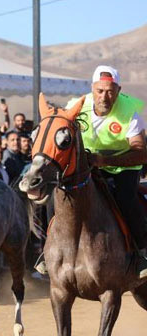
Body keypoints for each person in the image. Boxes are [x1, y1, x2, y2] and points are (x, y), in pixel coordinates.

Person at [65, 65, 147, 278]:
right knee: (61, 195)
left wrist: (104, 160)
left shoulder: (130, 112)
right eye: (100, 90)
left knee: (126, 198)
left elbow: (141, 152)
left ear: (118, 90)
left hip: (123, 168)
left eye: (110, 91)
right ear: (92, 89)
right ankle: (49, 250)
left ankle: (143, 253)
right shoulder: (76, 106)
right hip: (87, 166)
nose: (105, 96)